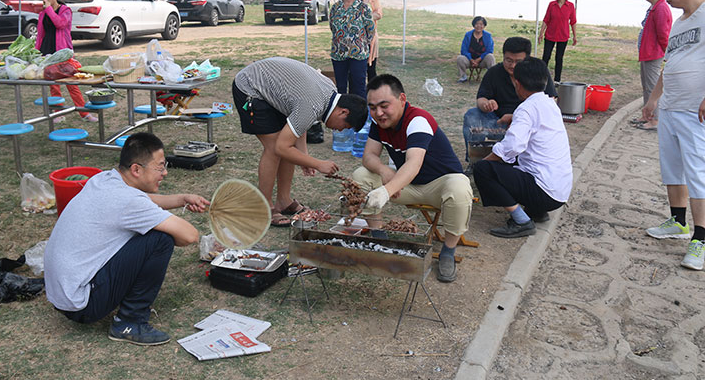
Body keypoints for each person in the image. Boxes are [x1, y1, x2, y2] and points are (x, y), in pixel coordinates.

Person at [44, 133, 209, 345]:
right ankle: (129, 322)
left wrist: (182, 199)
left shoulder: (104, 179)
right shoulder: (127, 201)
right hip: (83, 304)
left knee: (151, 230)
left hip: (63, 293)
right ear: (136, 169)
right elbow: (190, 236)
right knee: (161, 239)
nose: (165, 173)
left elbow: (143, 200)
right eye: (159, 167)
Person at [354, 74, 473, 283]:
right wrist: (384, 170)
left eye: (384, 106)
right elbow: (369, 156)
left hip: (440, 185)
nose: (378, 113)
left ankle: (448, 251)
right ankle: (378, 237)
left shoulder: (417, 120)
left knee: (460, 187)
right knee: (361, 176)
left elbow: (413, 163)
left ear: (402, 99)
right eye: (373, 108)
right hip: (406, 185)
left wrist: (386, 190)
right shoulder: (379, 123)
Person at [232, 57, 368, 227]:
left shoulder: (329, 93)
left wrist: (303, 155)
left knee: (289, 145)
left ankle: (284, 200)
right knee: (274, 148)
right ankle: (264, 206)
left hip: (271, 88)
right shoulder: (313, 103)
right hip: (250, 87)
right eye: (345, 126)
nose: (340, 130)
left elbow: (299, 124)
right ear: (343, 112)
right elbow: (282, 147)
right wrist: (318, 164)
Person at [642, 0, 705, 271]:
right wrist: (653, 100)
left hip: (695, 110)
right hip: (670, 106)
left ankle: (701, 239)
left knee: (697, 173)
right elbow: (669, 65)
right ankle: (678, 222)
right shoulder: (680, 23)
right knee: (672, 167)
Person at [473, 57, 572, 238]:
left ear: (517, 84)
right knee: (519, 161)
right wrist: (514, 117)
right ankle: (537, 211)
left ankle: (522, 221)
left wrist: (484, 163)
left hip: (544, 191)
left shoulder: (526, 109)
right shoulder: (549, 103)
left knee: (483, 169)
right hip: (560, 191)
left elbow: (511, 147)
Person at [462, 36, 557, 163]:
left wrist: (516, 118)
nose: (513, 65)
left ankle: (515, 160)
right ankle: (475, 160)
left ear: (527, 60)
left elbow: (551, 101)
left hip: (526, 125)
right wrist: (486, 104)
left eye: (518, 61)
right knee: (472, 115)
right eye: (508, 60)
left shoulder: (537, 73)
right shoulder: (494, 72)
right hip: (498, 123)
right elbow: (481, 98)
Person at [35, 0, 96, 122]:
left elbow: (60, 24)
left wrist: (49, 9)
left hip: (63, 51)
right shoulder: (42, 14)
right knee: (53, 84)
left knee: (71, 82)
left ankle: (84, 113)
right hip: (47, 50)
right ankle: (58, 113)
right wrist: (37, 51)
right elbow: (40, 34)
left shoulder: (65, 10)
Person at [632, 0, 672, 130]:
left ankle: (655, 119)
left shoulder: (661, 8)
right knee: (646, 86)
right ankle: (646, 115)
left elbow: (663, 34)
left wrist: (666, 53)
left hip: (653, 53)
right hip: (647, 53)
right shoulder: (654, 7)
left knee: (652, 87)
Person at [329, 0, 375, 99]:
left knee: (358, 87)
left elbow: (370, 30)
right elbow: (332, 27)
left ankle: (360, 111)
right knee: (340, 87)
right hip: (339, 53)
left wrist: (361, 44)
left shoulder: (363, 8)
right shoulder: (335, 8)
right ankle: (342, 110)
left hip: (358, 54)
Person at [538, 0, 577, 82]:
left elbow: (573, 21)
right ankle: (541, 79)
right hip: (550, 35)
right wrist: (541, 33)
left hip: (563, 36)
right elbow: (546, 19)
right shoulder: (552, 4)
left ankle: (557, 81)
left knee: (559, 58)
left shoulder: (570, 6)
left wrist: (575, 36)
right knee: (546, 57)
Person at [358, 0, 383, 81]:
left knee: (371, 68)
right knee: (359, 68)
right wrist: (370, 16)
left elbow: (379, 14)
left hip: (371, 38)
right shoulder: (356, 0)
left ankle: (372, 88)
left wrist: (363, 17)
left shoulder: (374, 0)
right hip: (358, 38)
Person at [457, 16, 495, 83]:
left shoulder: (488, 36)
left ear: (484, 26)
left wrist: (478, 60)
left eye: (481, 24)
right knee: (460, 58)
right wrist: (471, 60)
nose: (479, 26)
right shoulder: (468, 35)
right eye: (477, 24)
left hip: (482, 61)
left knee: (490, 57)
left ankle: (492, 77)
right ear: (473, 25)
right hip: (469, 60)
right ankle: (463, 77)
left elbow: (489, 50)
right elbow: (463, 50)